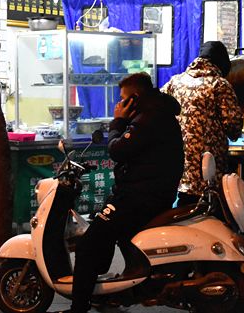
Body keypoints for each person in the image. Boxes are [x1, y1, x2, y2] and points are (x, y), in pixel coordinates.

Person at [54, 72, 184, 313]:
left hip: (138, 198)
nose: (119, 104)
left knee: (88, 245)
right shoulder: (158, 113)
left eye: (123, 99)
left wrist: (117, 122)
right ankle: (120, 291)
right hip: (149, 194)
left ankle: (78, 308)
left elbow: (117, 150)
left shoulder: (148, 119)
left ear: (134, 99)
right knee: (117, 236)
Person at [161, 40, 244, 206]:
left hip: (180, 163)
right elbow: (232, 124)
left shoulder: (175, 82)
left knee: (186, 207)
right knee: (210, 207)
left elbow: (160, 107)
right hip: (209, 165)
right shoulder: (219, 84)